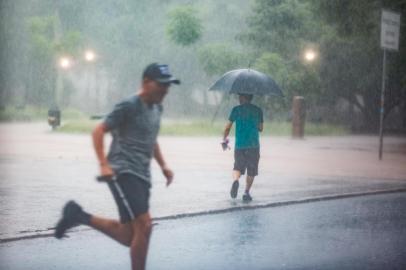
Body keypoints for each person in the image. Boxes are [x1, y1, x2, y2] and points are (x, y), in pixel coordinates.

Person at [54, 63, 180, 270]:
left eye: (168, 85)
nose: (166, 89)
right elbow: (98, 131)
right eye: (161, 84)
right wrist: (103, 164)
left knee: (129, 235)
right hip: (122, 171)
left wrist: (164, 165)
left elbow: (151, 139)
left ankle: (77, 215)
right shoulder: (128, 105)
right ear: (146, 82)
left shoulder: (158, 108)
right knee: (145, 225)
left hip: (142, 175)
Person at [222, 93, 263, 202]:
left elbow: (227, 127)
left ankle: (236, 180)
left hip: (240, 145)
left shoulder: (236, 110)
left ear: (244, 97)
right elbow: (261, 128)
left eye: (240, 96)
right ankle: (246, 193)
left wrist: (224, 139)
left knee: (237, 167)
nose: (239, 98)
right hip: (253, 145)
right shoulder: (258, 110)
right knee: (251, 170)